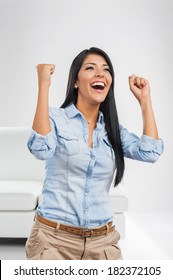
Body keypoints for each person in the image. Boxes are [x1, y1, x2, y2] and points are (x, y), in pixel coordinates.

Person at [25, 47, 164, 260]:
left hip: (103, 243)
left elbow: (150, 152)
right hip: (53, 241)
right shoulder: (55, 119)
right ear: (76, 82)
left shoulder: (112, 129)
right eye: (90, 68)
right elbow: (41, 149)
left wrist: (145, 100)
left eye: (106, 69)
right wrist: (43, 85)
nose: (100, 73)